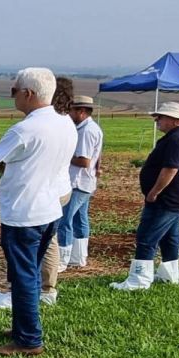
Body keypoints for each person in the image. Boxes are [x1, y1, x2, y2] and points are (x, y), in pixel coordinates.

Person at [0, 68, 76, 357]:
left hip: (23, 212)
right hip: (49, 208)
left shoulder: (24, 129)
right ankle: (23, 327)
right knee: (30, 273)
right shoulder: (65, 122)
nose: (13, 96)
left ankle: (29, 339)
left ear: (28, 94)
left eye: (14, 91)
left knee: (23, 277)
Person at [110, 102, 179, 290]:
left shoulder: (175, 140)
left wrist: (154, 192)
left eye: (161, 117)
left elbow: (170, 169)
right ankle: (169, 273)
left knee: (147, 236)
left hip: (166, 197)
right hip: (176, 196)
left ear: (174, 120)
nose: (157, 120)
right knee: (170, 237)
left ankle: (139, 280)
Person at [59, 95, 103, 269]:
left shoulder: (86, 131)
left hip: (78, 182)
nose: (69, 114)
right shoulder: (91, 128)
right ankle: (78, 257)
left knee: (65, 220)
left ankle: (62, 260)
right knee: (80, 219)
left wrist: (63, 156)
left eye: (71, 110)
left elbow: (84, 161)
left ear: (81, 111)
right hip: (85, 182)